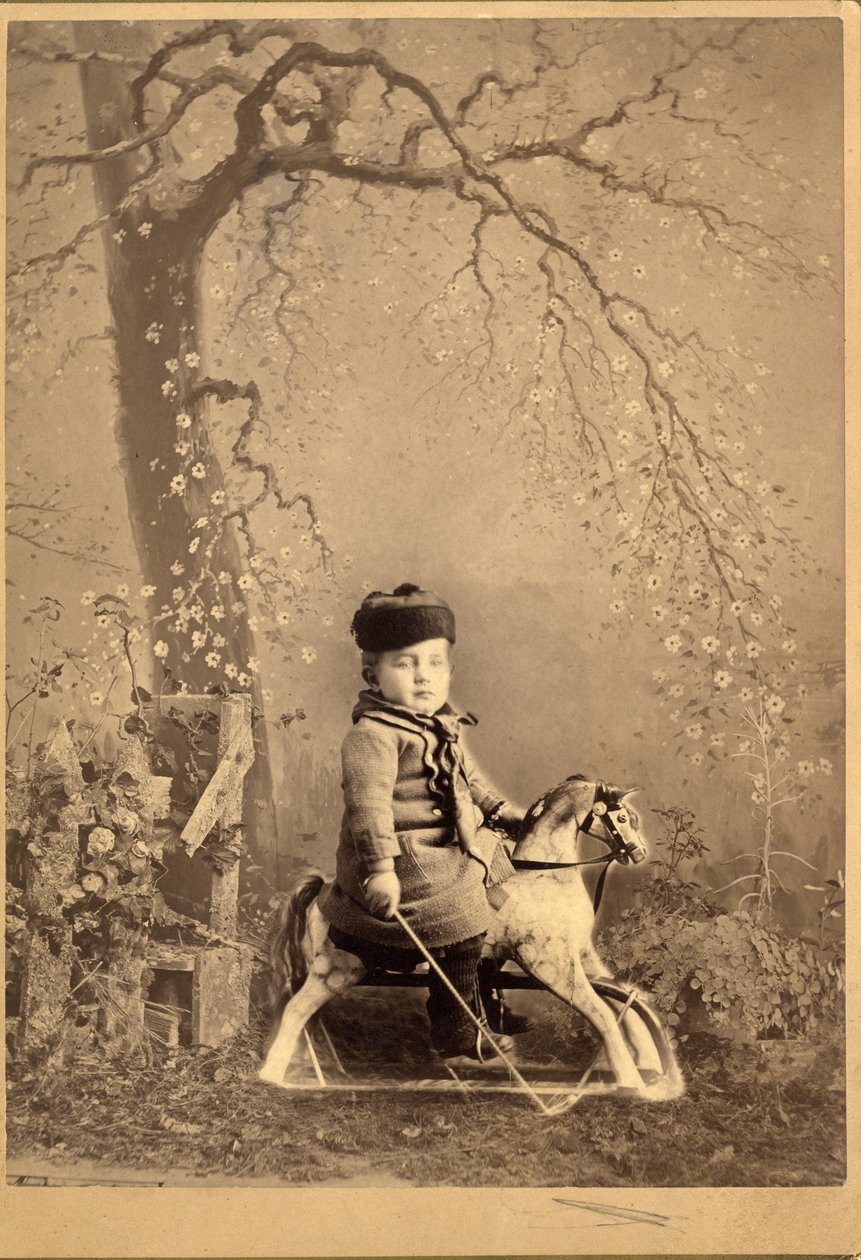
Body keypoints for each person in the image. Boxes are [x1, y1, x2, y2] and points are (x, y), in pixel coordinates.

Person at [318, 582, 530, 1061]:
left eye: (435, 663)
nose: (423, 677)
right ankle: (455, 1028)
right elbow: (368, 808)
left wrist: (500, 810)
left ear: (450, 670)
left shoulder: (439, 725)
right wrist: (381, 870)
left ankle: (484, 1003)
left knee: (501, 879)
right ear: (374, 676)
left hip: (447, 843)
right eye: (405, 663)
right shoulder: (372, 735)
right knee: (460, 914)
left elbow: (468, 779)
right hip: (406, 857)